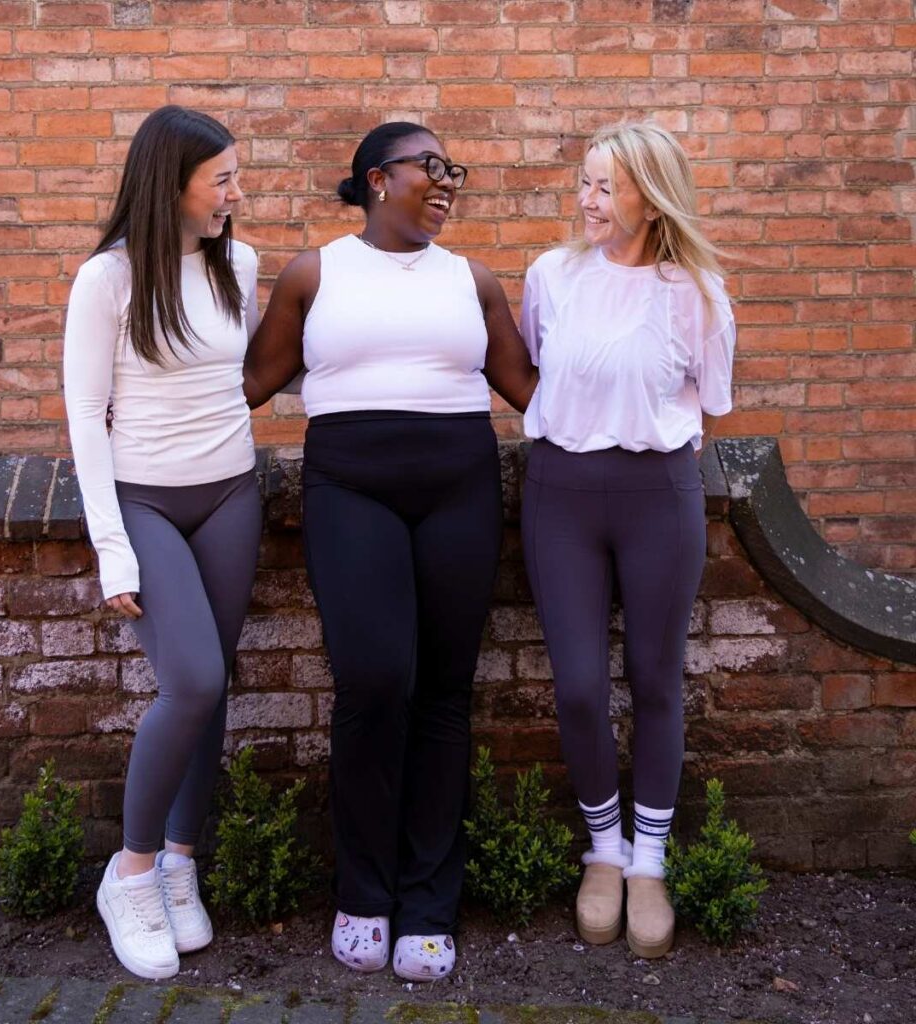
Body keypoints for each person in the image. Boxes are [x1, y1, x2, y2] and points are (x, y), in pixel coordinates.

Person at [243, 122, 536, 981]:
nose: (446, 183)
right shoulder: (315, 272)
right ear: (378, 179)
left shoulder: (472, 281)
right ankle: (362, 894)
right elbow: (250, 384)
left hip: (459, 488)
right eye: (430, 169)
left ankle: (428, 906)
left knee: (444, 693)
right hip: (350, 490)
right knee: (374, 681)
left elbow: (532, 390)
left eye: (455, 172)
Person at [519, 121, 736, 959]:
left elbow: (708, 403)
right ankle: (601, 854)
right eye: (585, 182)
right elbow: (545, 368)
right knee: (577, 684)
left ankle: (649, 863)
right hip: (562, 493)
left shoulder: (699, 291)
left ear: (651, 196)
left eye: (607, 187)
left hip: (658, 495)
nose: (588, 200)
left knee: (654, 677)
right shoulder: (552, 276)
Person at [63, 105, 262, 980]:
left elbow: (233, 382)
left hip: (231, 493)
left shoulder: (238, 265)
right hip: (146, 500)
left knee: (212, 690)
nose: (235, 192)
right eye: (221, 178)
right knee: (193, 679)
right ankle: (131, 873)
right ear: (170, 183)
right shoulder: (105, 281)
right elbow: (85, 417)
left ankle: (182, 861)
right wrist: (112, 545)